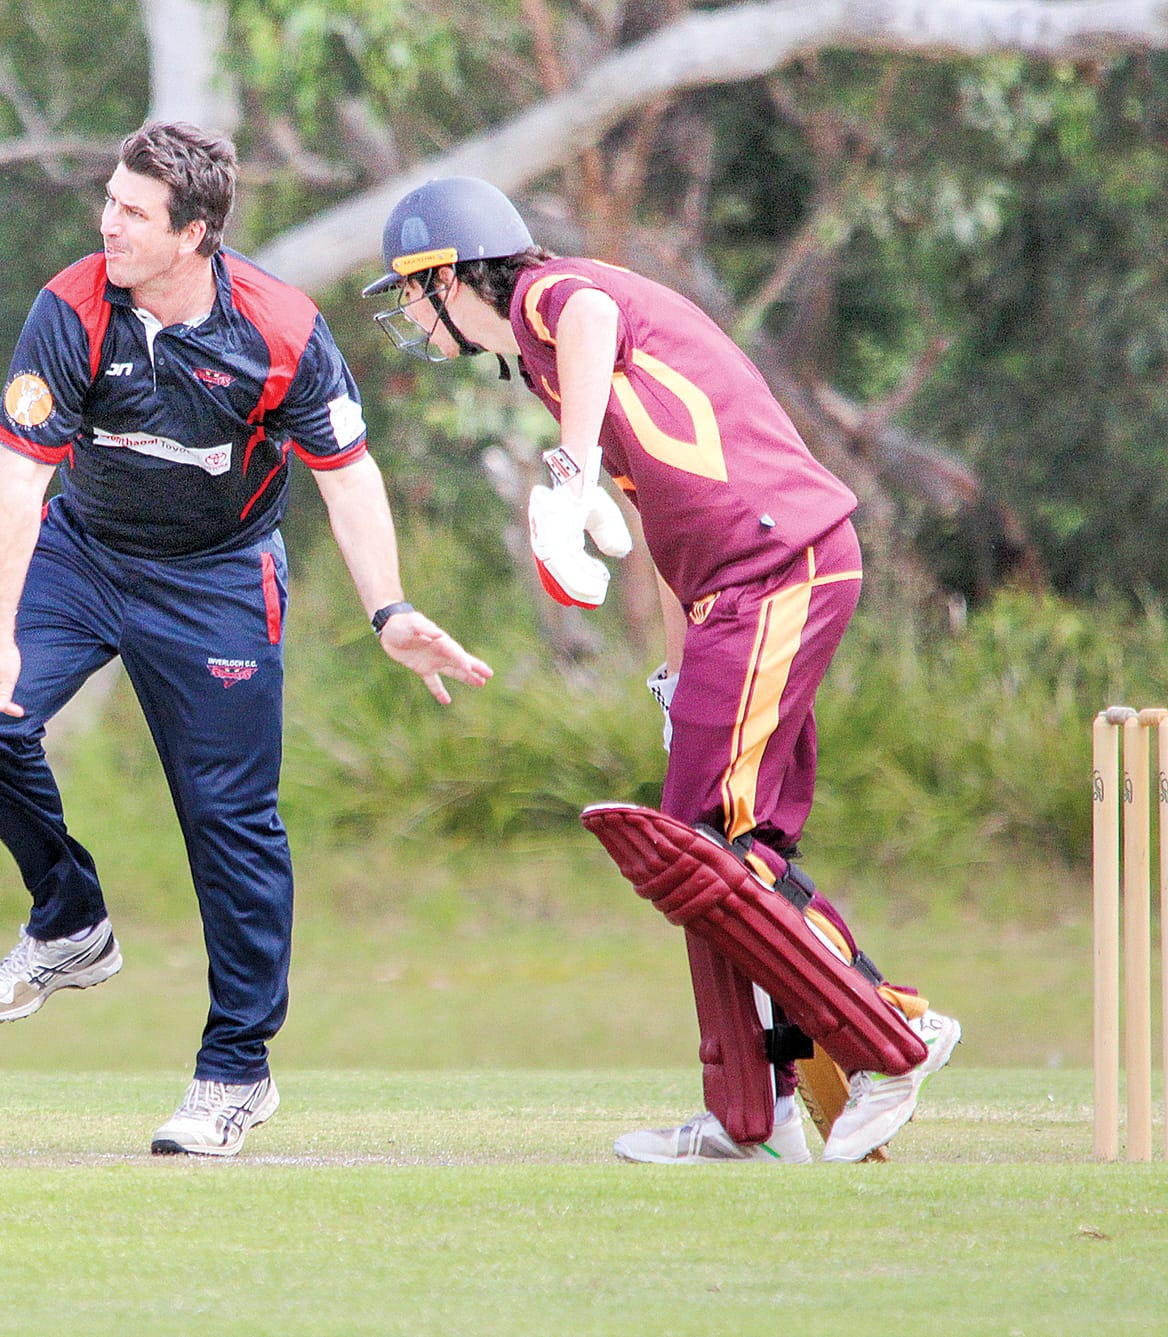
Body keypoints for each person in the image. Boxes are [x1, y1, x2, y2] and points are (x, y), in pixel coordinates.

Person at [362, 176, 960, 1164]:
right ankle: (748, 1112)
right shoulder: (546, 362)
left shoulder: (549, 296)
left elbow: (591, 312)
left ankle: (892, 1034)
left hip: (777, 564)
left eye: (409, 291)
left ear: (447, 275)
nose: (409, 320)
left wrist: (567, 468)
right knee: (714, 846)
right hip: (739, 588)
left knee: (701, 844)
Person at [0, 124, 492, 1157]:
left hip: (218, 581)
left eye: (132, 212)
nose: (106, 222)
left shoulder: (278, 328)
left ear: (194, 234)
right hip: (86, 550)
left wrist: (390, 609)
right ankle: (68, 921)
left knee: (227, 823)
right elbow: (19, 477)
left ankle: (234, 1070)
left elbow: (347, 470)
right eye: (107, 200)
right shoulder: (70, 308)